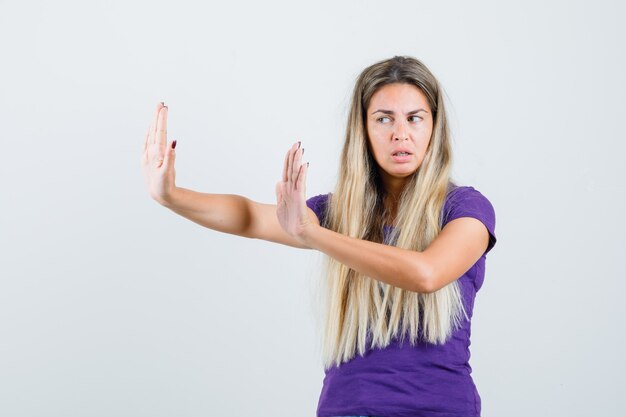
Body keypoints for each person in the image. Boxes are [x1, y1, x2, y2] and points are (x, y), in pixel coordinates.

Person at [140, 55, 497, 417]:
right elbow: (250, 217)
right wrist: (171, 195)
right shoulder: (338, 213)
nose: (400, 133)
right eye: (384, 119)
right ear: (363, 130)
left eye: (414, 118)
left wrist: (313, 234)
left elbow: (427, 274)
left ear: (434, 127)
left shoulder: (465, 208)